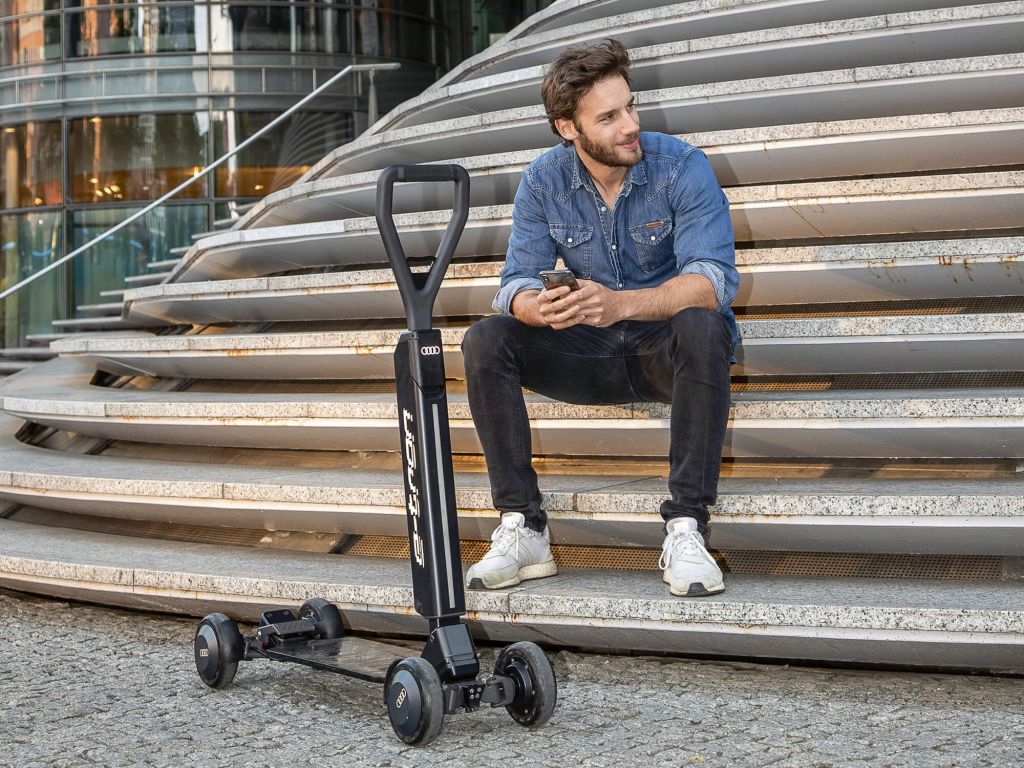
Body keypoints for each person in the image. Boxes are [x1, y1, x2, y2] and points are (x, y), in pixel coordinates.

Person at [461, 39, 738, 597]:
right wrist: (538, 308)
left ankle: (686, 526)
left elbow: (713, 281)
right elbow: (513, 283)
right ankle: (525, 526)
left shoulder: (682, 166)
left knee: (705, 324)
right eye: (609, 117)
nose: (629, 125)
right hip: (589, 352)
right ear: (568, 128)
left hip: (667, 354)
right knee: (488, 339)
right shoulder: (543, 180)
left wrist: (619, 303)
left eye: (630, 107)